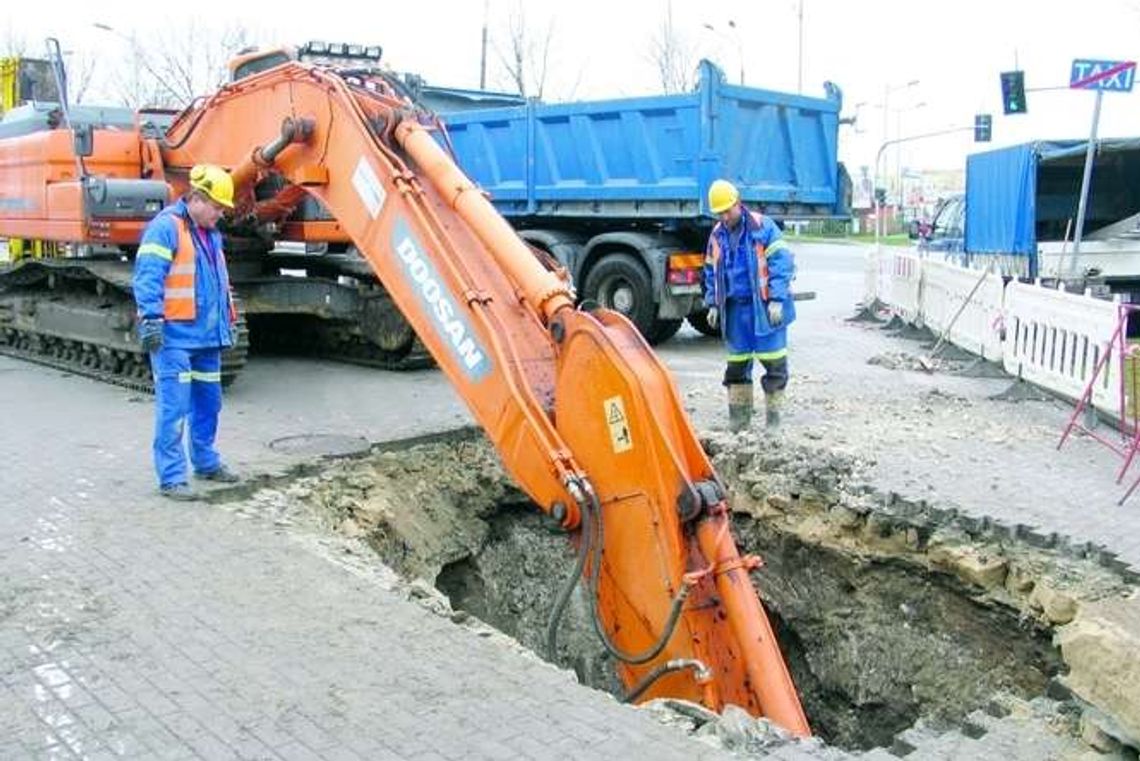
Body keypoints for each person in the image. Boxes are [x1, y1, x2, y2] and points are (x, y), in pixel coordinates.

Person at [132, 164, 241, 500]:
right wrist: (151, 320)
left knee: (209, 403)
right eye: (217, 207)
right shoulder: (166, 228)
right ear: (197, 198)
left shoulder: (210, 234)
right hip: (175, 339)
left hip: (207, 339)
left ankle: (206, 462)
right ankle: (172, 477)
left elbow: (218, 283)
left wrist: (228, 322)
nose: (220, 214)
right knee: (174, 407)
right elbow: (148, 277)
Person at [702, 179, 797, 431]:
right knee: (736, 366)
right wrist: (712, 303)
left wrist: (777, 299)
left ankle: (773, 424)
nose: (724, 216)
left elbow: (782, 262)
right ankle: (739, 423)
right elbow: (711, 270)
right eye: (719, 212)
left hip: (765, 309)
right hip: (735, 311)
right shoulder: (717, 235)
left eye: (727, 210)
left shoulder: (762, 227)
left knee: (775, 365)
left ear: (738, 203)